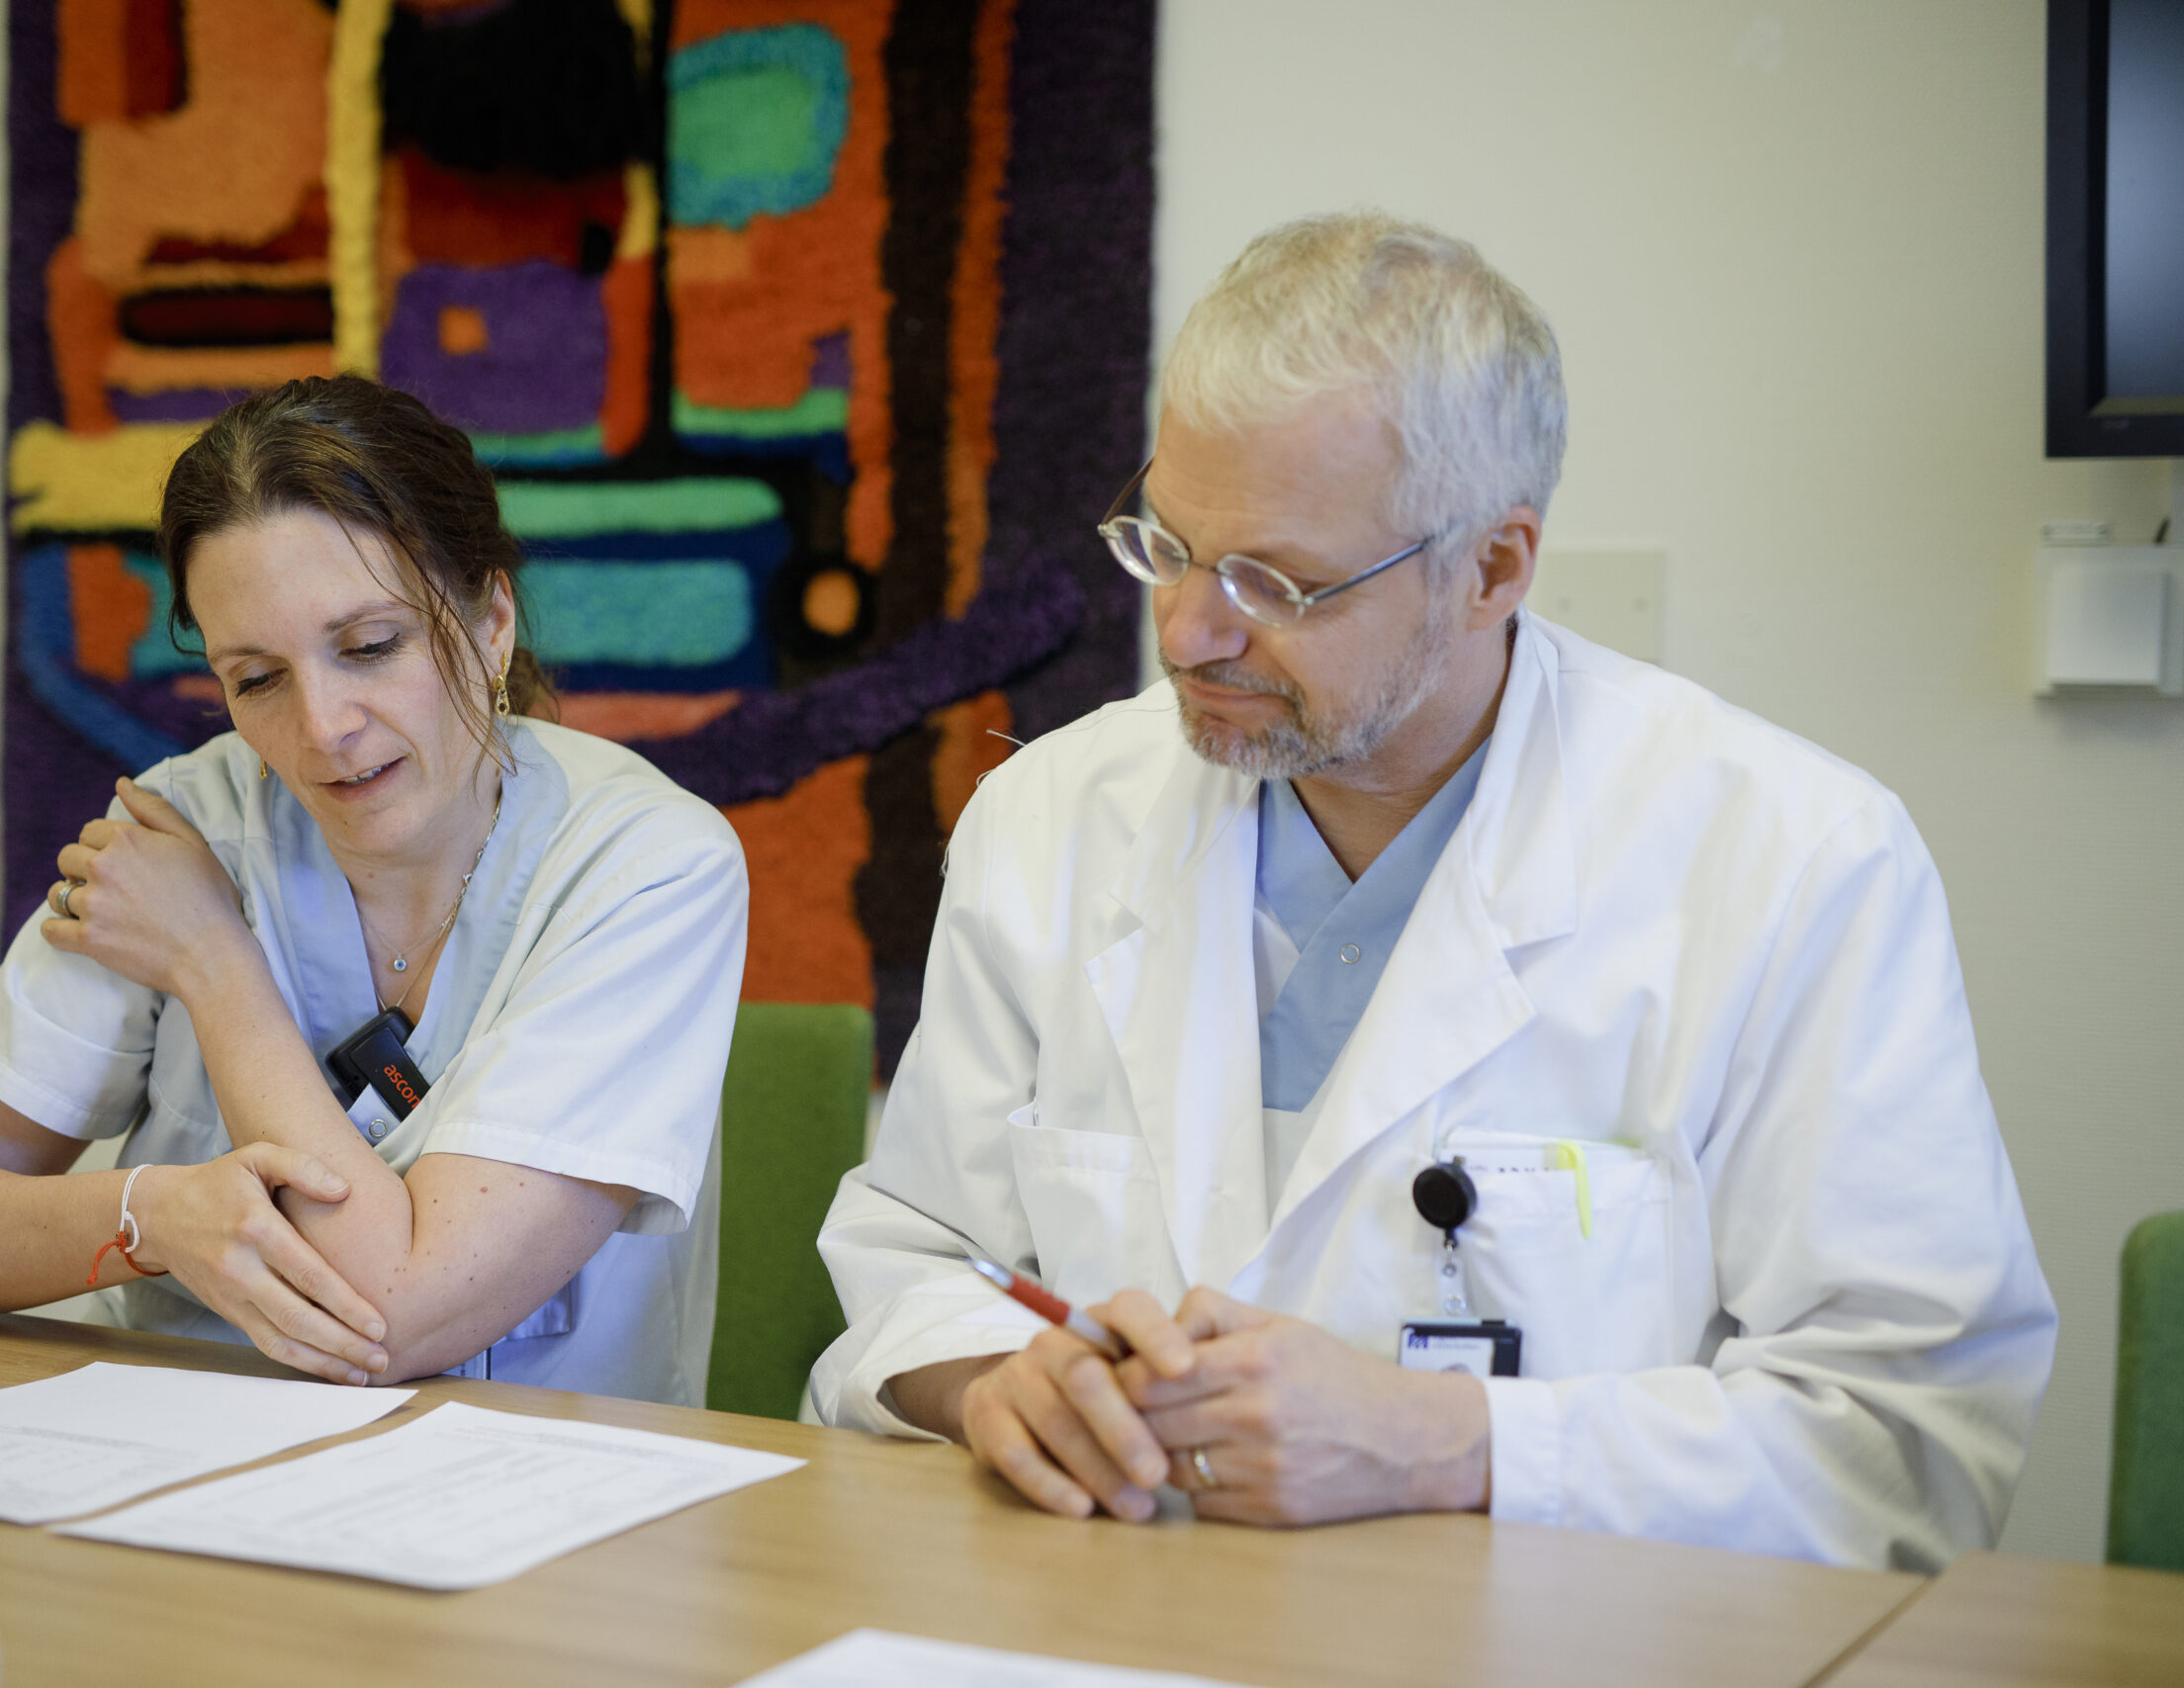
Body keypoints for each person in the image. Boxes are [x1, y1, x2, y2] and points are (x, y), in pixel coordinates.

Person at [810, 212, 2056, 1570]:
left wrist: (1453, 1444)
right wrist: (997, 1379)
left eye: (1275, 581)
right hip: (1109, 1612)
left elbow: (1909, 1434)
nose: (1187, 631)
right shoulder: (1053, 816)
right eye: (1165, 546)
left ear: (1492, 568)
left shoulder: (1794, 859)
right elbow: (920, 1255)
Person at [0, 376, 746, 1401]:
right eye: (257, 678)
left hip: (540, 1484)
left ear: (491, 621)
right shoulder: (177, 834)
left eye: (371, 647)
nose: (323, 730)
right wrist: (153, 1215)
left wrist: (211, 960)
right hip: (179, 1463)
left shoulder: (647, 867)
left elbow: (391, 1317)